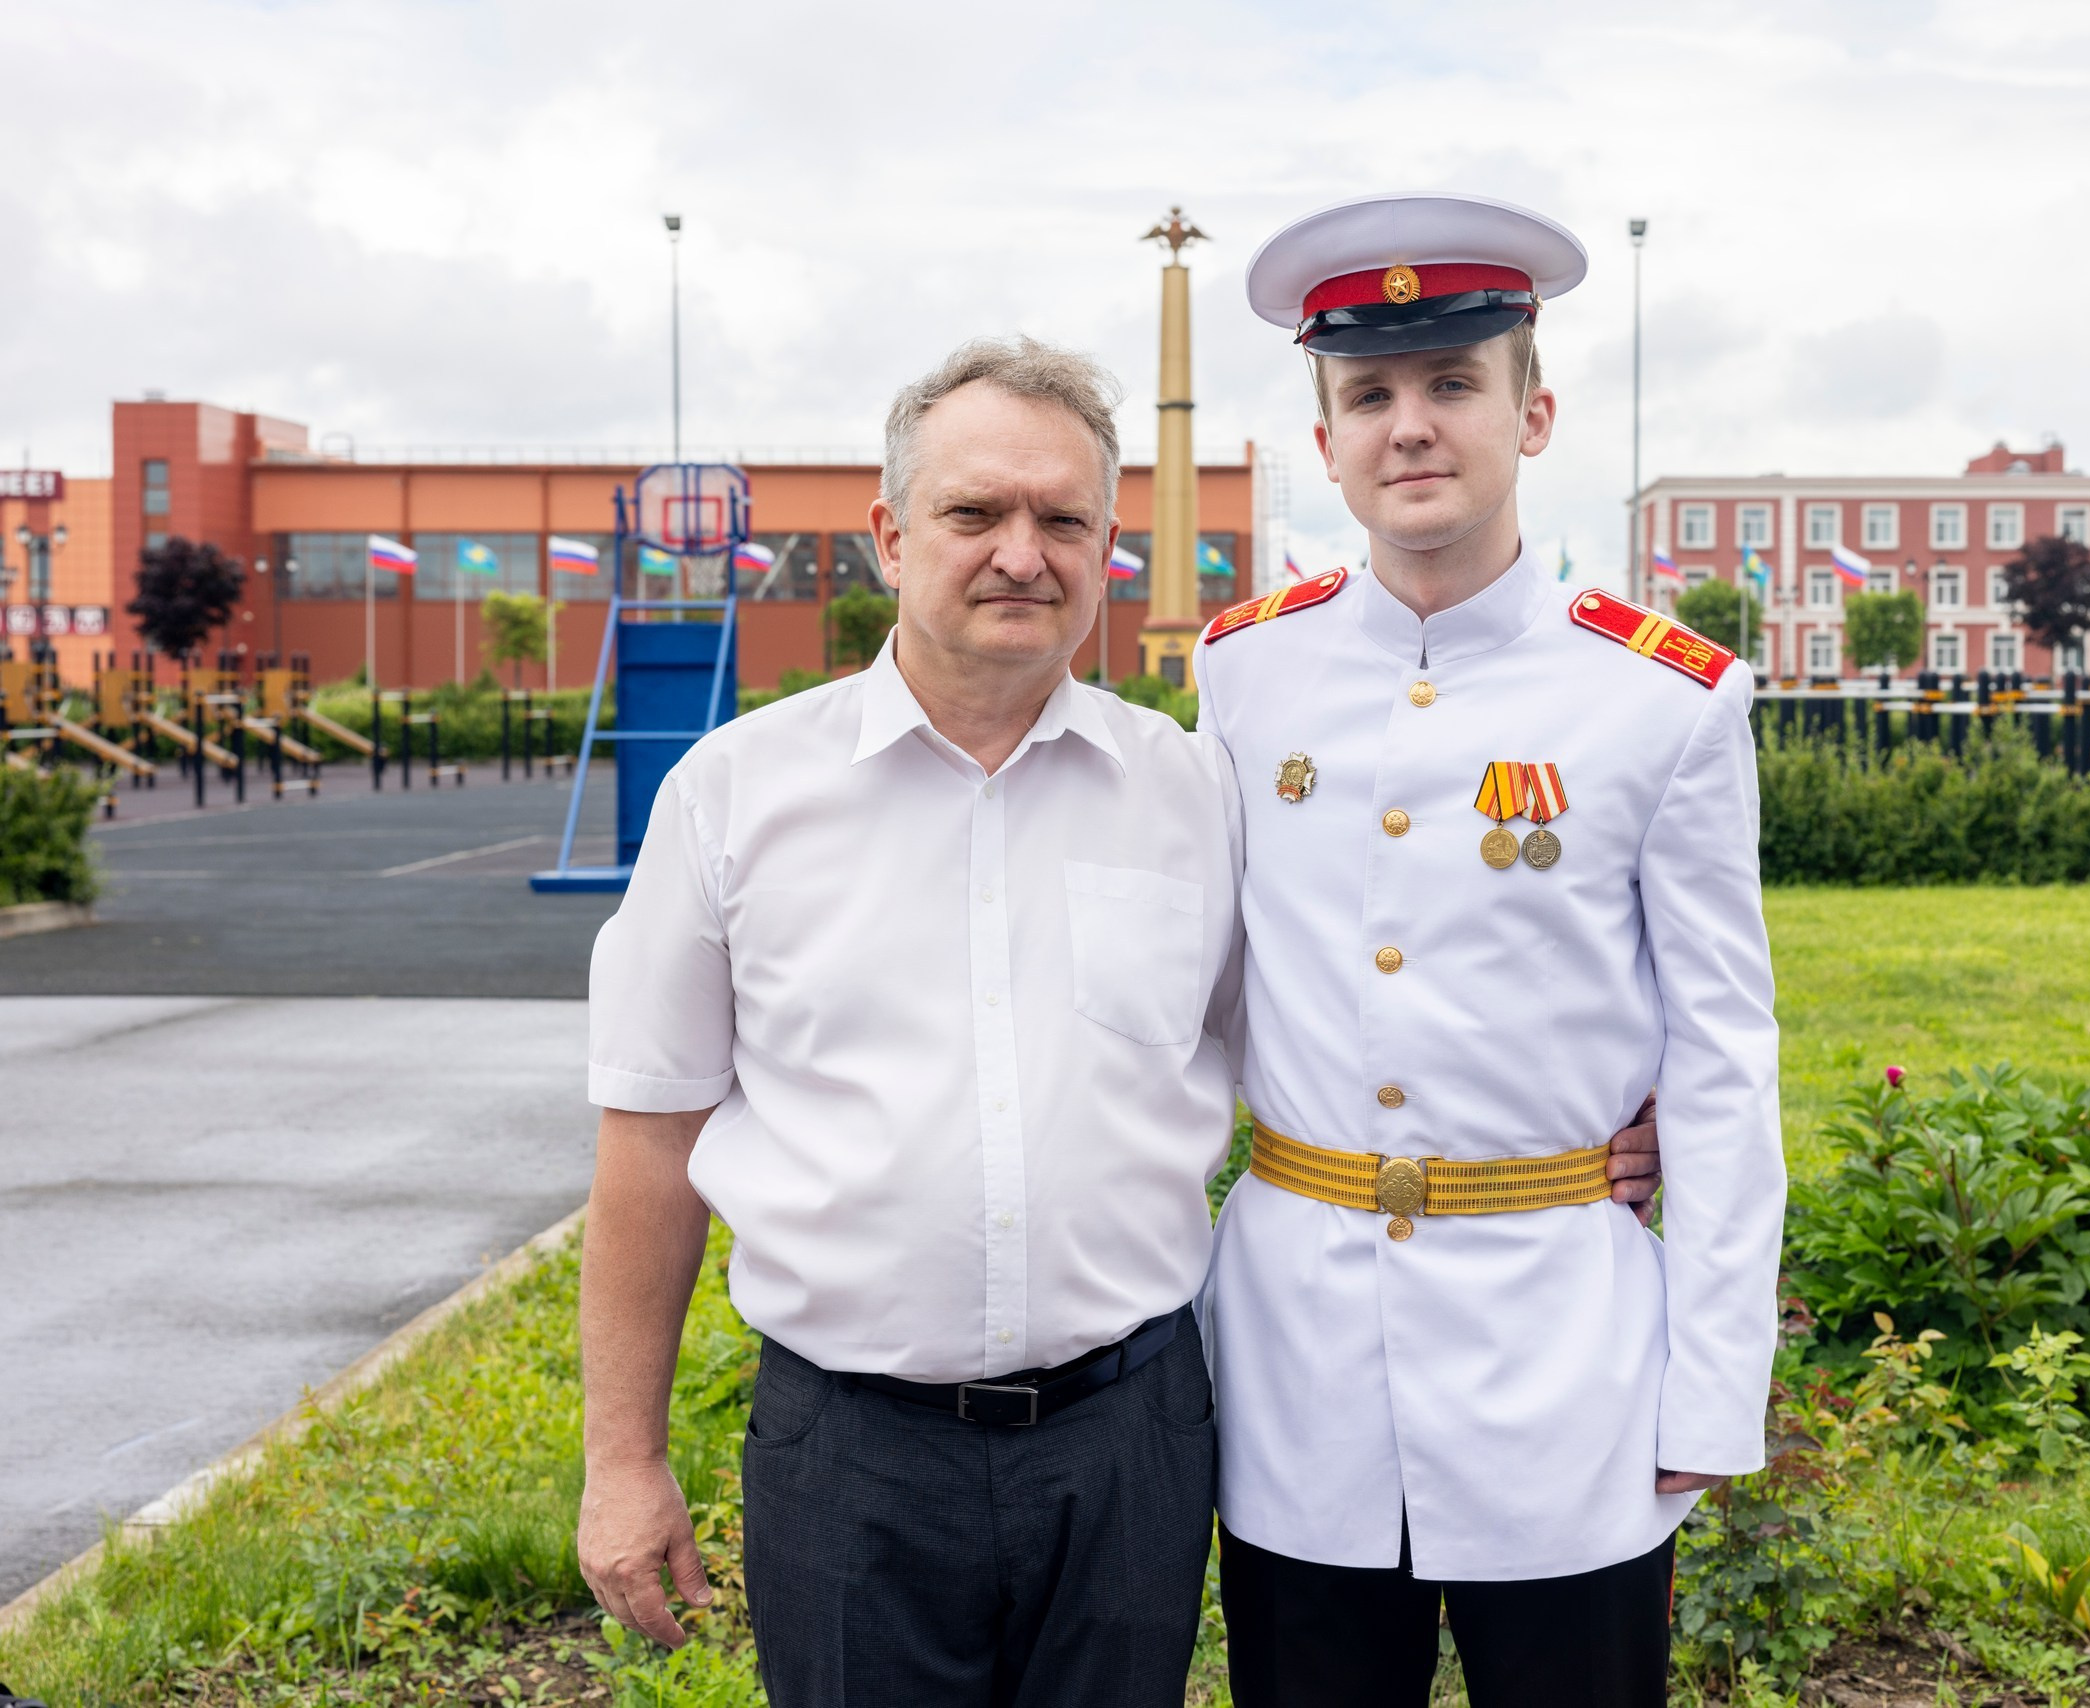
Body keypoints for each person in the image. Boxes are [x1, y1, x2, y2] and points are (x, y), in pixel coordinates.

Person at [573, 333, 1670, 1707]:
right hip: (851, 1453)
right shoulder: (734, 800)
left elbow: (1337, 1015)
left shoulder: (1192, 792)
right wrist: (623, 1460)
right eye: (974, 512)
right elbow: (650, 1138)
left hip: (1127, 1442)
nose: (1021, 553)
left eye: (1064, 519)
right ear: (887, 535)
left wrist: (1587, 1133)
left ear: (1107, 548)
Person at [1197, 193, 1786, 1708]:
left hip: (1563, 1361)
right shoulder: (1246, 671)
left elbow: (1722, 1060)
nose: (1411, 425)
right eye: (1369, 394)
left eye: (1454, 382)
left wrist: (1714, 1389)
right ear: (1323, 437)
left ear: (1532, 409)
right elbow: (1195, 988)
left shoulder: (1663, 698)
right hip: (1302, 1359)